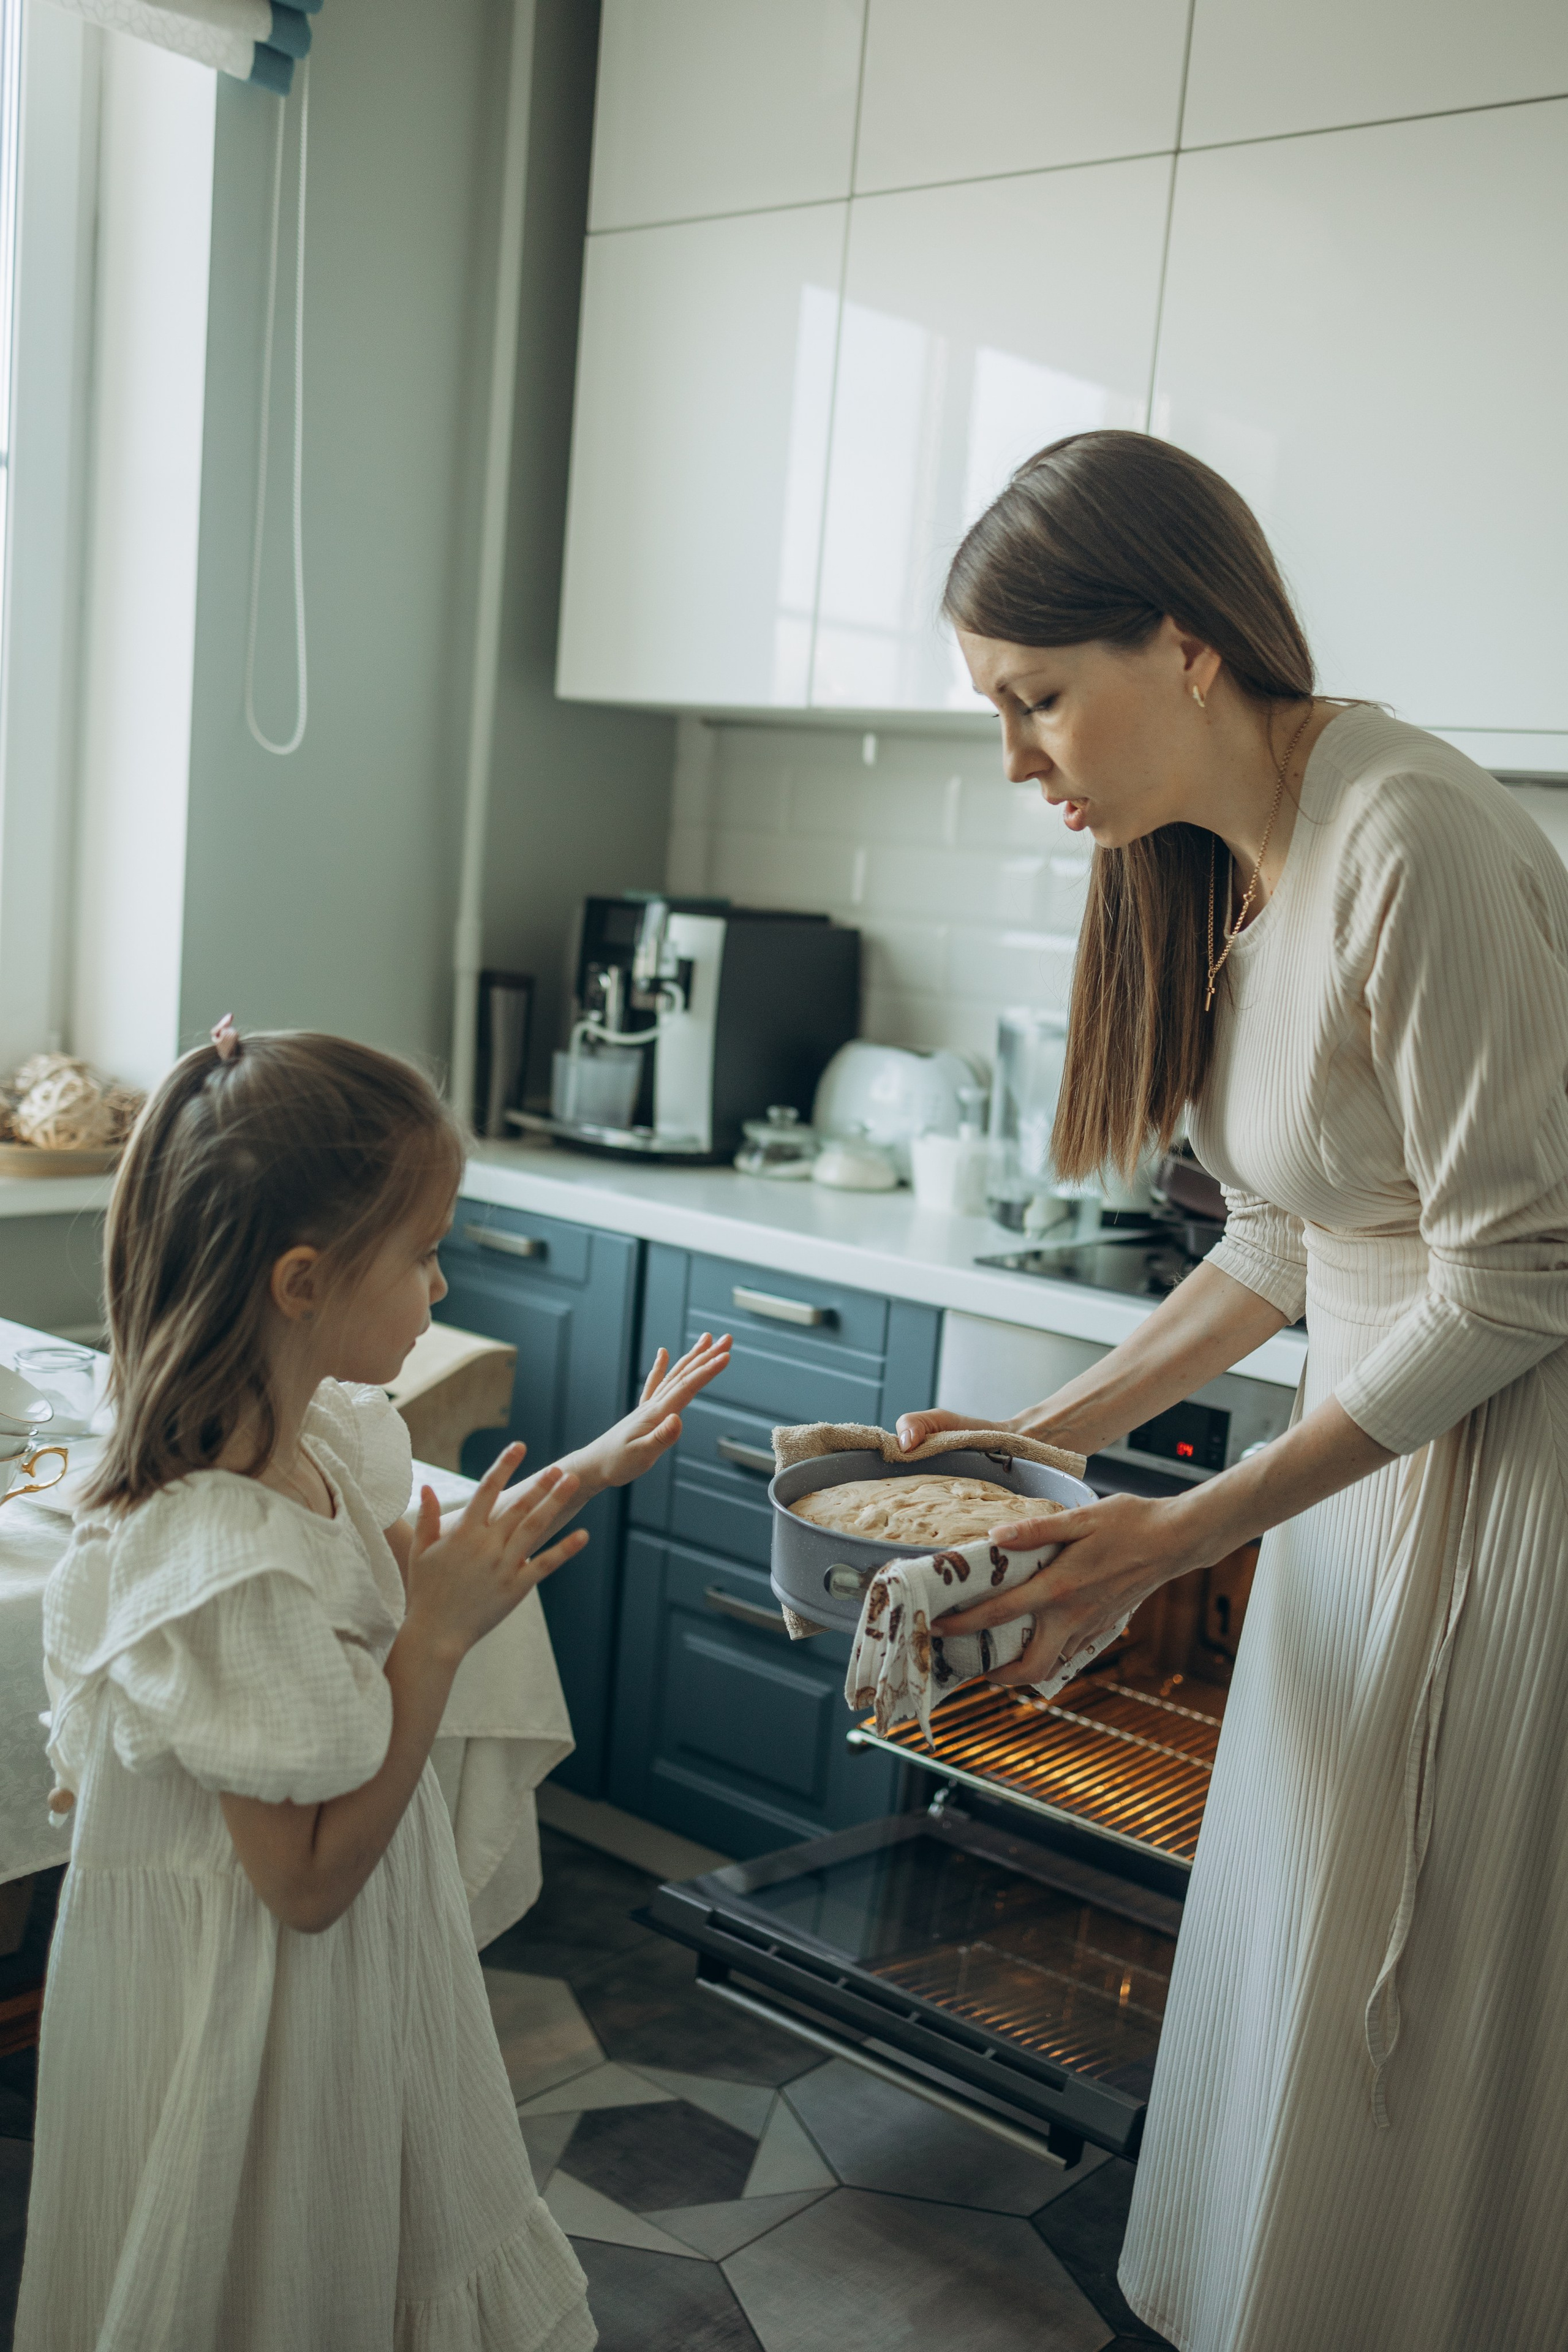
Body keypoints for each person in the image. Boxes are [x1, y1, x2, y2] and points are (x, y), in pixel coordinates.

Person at [897, 431, 1568, 2352]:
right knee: (1304, 1954)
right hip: (1360, 1481)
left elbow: (1519, 1269)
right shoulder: (1232, 860)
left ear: (1184, 645)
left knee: (1422, 1997)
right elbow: (1283, 1243)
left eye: (1036, 698)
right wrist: (1058, 1432)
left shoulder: (1414, 834)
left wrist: (1181, 1527)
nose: (1019, 758)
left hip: (1501, 1485)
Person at [15, 1024, 731, 2352]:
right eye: (421, 1252)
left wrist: (598, 1459)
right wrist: (434, 1649)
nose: (440, 1279)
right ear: (303, 1280)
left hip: (342, 1986)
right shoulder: (222, 1553)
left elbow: (430, 1553)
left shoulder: (320, 1438)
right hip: (249, 2012)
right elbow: (300, 1884)